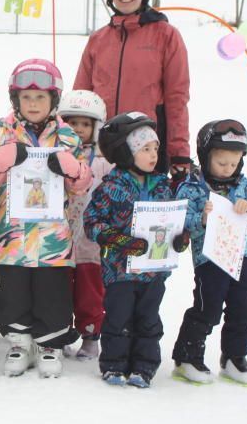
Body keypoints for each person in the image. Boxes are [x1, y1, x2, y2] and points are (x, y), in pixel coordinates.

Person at [0, 59, 93, 379]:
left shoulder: (68, 136)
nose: (33, 104)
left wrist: (72, 170)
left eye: (40, 97)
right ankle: (20, 342)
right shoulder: (3, 131)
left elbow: (81, 186)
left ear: (53, 100)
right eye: (26, 97)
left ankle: (49, 344)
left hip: (52, 238)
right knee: (13, 292)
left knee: (51, 293)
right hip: (10, 235)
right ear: (16, 99)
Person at [83, 112, 189, 388]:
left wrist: (181, 238)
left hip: (154, 271)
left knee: (149, 319)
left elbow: (176, 221)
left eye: (155, 148)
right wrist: (119, 241)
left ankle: (144, 365)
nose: (153, 155)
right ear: (125, 152)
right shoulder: (111, 188)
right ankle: (114, 364)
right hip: (120, 272)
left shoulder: (163, 186)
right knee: (118, 318)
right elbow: (92, 223)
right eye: (145, 149)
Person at [171, 120, 247, 386]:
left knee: (243, 307)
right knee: (208, 306)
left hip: (243, 255)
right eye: (221, 163)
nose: (228, 169)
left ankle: (234, 357)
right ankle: (187, 358)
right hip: (210, 258)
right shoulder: (192, 187)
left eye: (234, 163)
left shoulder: (243, 185)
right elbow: (179, 220)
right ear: (205, 158)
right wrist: (201, 220)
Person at [74, 0, 190, 180]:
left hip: (146, 150)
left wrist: (179, 154)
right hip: (100, 151)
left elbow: (177, 99)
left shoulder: (166, 36)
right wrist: (71, 142)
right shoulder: (98, 39)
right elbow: (80, 99)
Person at [58, 90, 113, 360]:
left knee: (90, 290)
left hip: (90, 241)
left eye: (85, 124)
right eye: (72, 124)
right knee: (60, 287)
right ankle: (61, 332)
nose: (78, 130)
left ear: (96, 127)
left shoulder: (104, 161)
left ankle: (91, 335)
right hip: (59, 237)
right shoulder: (56, 155)